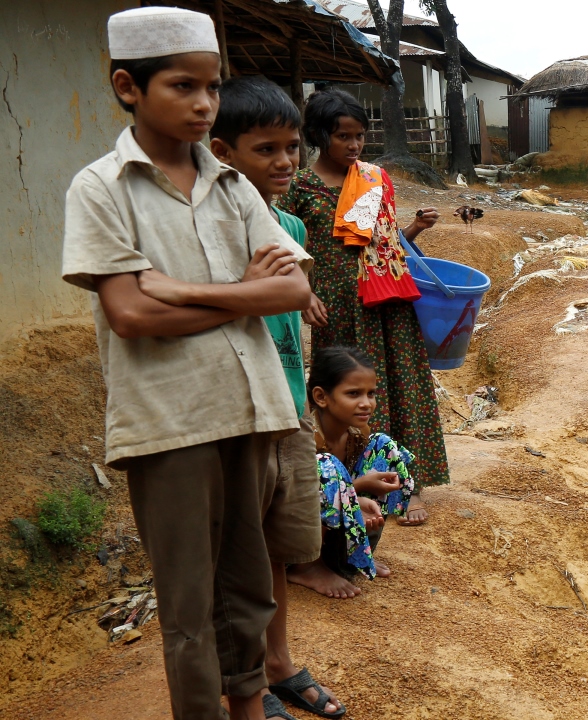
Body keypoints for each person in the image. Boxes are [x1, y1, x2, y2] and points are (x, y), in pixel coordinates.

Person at [61, 8, 312, 720]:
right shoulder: (101, 188)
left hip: (254, 407)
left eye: (212, 86)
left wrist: (186, 290)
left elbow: (293, 288)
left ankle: (251, 710)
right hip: (169, 420)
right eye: (183, 86)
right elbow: (132, 315)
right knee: (189, 605)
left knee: (249, 586)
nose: (204, 103)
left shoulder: (232, 186)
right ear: (128, 87)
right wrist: (244, 295)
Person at [209, 76, 345, 720]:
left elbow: (289, 308)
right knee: (237, 554)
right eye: (267, 149)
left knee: (278, 545)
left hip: (288, 403)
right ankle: (245, 683)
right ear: (223, 152)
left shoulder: (289, 223)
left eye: (292, 147)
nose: (286, 162)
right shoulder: (211, 229)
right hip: (239, 411)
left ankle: (280, 660)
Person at [277, 89, 448, 536]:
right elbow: (286, 246)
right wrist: (303, 294)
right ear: (319, 136)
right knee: (345, 399)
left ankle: (407, 483)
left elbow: (383, 242)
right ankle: (357, 486)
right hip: (337, 308)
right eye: (343, 137)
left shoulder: (372, 178)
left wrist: (415, 228)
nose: (354, 146)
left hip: (386, 300)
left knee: (400, 384)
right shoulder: (299, 188)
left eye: (359, 136)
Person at [297, 347, 416, 583]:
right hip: (296, 530)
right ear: (321, 397)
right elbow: (300, 493)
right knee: (325, 464)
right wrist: (358, 489)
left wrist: (356, 493)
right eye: (353, 394)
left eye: (370, 393)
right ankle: (307, 566)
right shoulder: (305, 437)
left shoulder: (357, 432)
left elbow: (342, 486)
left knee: (384, 446)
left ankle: (359, 553)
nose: (366, 403)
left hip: (336, 510)